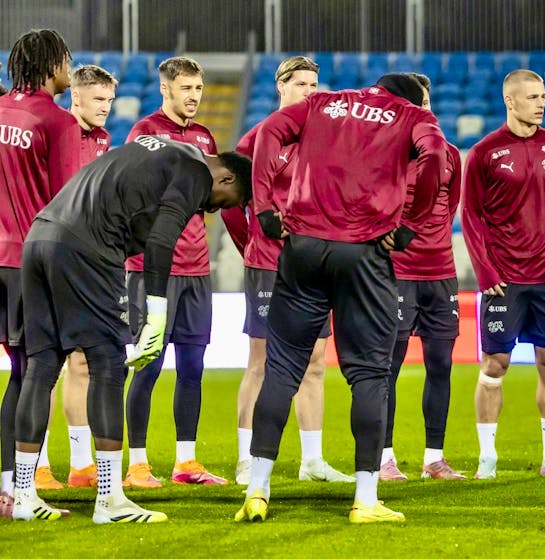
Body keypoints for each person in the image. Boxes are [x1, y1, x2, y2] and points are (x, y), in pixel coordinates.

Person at [234, 73, 446, 524]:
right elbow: (435, 157)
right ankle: (365, 499)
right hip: (364, 252)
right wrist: (413, 223)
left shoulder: (322, 104)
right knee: (370, 374)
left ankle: (257, 490)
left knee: (281, 369)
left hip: (303, 248)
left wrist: (265, 207)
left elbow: (269, 132)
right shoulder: (412, 116)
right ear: (412, 99)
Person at [10, 136, 251, 522]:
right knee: (108, 366)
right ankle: (109, 500)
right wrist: (157, 312)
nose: (212, 209)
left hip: (41, 237)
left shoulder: (161, 151)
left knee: (42, 367)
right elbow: (161, 241)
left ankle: (22, 496)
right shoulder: (196, 171)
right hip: (87, 247)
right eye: (227, 202)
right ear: (226, 178)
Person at [221, 55, 352, 485]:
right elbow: (231, 206)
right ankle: (246, 459)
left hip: (313, 265)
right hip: (268, 265)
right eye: (300, 84)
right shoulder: (258, 138)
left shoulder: (326, 138)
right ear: (281, 87)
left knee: (315, 361)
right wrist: (252, 245)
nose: (309, 92)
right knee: (260, 361)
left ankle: (312, 460)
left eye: (314, 85)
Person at [462, 69, 545, 480]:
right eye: (532, 97)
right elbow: (471, 215)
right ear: (510, 101)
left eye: (543, 96)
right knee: (495, 364)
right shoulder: (484, 152)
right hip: (504, 278)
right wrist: (485, 270)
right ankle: (487, 456)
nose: (541, 103)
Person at [122, 56, 227, 487]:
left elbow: (214, 192)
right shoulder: (144, 132)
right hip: (153, 269)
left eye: (198, 88)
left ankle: (186, 462)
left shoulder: (204, 136)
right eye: (185, 88)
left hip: (197, 267)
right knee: (147, 365)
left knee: (192, 366)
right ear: (165, 89)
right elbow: (131, 192)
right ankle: (137, 465)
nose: (194, 96)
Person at [0, 29, 80, 518]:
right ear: (51, 65)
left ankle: (6, 489)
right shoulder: (58, 121)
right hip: (30, 262)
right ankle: (22, 494)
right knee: (35, 373)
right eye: (66, 60)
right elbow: (66, 207)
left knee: (19, 372)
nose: (70, 68)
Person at [32, 64, 118, 492]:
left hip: (87, 259)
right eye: (98, 99)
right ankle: (39, 464)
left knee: (82, 361)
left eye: (110, 100)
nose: (105, 107)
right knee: (45, 361)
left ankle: (82, 465)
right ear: (76, 97)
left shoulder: (103, 139)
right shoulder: (55, 129)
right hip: (50, 254)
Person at [380, 72, 465, 482]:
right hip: (396, 271)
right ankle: (384, 458)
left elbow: (450, 207)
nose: (424, 108)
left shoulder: (449, 153)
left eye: (427, 101)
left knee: (441, 365)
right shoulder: (384, 151)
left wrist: (431, 240)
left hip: (441, 271)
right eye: (417, 102)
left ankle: (434, 458)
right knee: (388, 367)